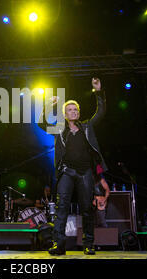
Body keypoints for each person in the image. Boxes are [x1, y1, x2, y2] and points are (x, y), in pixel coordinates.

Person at [38, 77, 108, 255]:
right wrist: (47, 106)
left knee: (87, 209)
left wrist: (98, 92)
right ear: (65, 114)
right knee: (62, 208)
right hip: (67, 172)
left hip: (85, 173)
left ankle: (88, 244)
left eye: (75, 109)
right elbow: (41, 123)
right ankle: (58, 245)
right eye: (69, 109)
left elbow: (101, 112)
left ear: (78, 112)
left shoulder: (87, 127)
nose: (73, 111)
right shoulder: (60, 129)